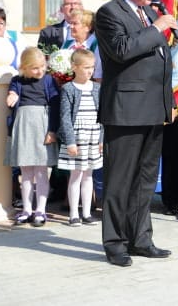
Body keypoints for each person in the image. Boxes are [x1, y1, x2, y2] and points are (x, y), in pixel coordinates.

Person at [94, 0, 178, 267]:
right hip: (126, 110)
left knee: (144, 180)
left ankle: (140, 238)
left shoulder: (151, 13)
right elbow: (121, 49)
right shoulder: (109, 13)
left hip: (154, 108)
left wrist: (167, 100)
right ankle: (115, 242)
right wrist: (158, 28)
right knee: (120, 180)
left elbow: (160, 61)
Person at [5, 47, 60, 227]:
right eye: (35, 68)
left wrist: (52, 131)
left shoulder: (49, 81)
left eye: (42, 66)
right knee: (26, 171)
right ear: (24, 68)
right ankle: (27, 209)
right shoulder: (17, 81)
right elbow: (13, 91)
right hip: (23, 127)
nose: (40, 71)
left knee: (42, 171)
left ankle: (41, 210)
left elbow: (55, 106)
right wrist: (12, 94)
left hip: (42, 127)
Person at [57, 49, 103, 227]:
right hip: (77, 136)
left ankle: (87, 212)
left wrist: (100, 138)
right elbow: (65, 117)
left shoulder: (97, 88)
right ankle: (74, 213)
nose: (90, 71)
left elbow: (101, 116)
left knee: (88, 175)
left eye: (92, 67)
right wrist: (70, 141)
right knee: (75, 175)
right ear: (74, 67)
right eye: (86, 67)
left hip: (92, 135)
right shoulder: (68, 88)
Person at [61, 9, 102, 81]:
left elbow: (98, 76)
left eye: (75, 23)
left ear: (88, 27)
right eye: (70, 23)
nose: (70, 26)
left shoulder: (97, 46)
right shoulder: (67, 44)